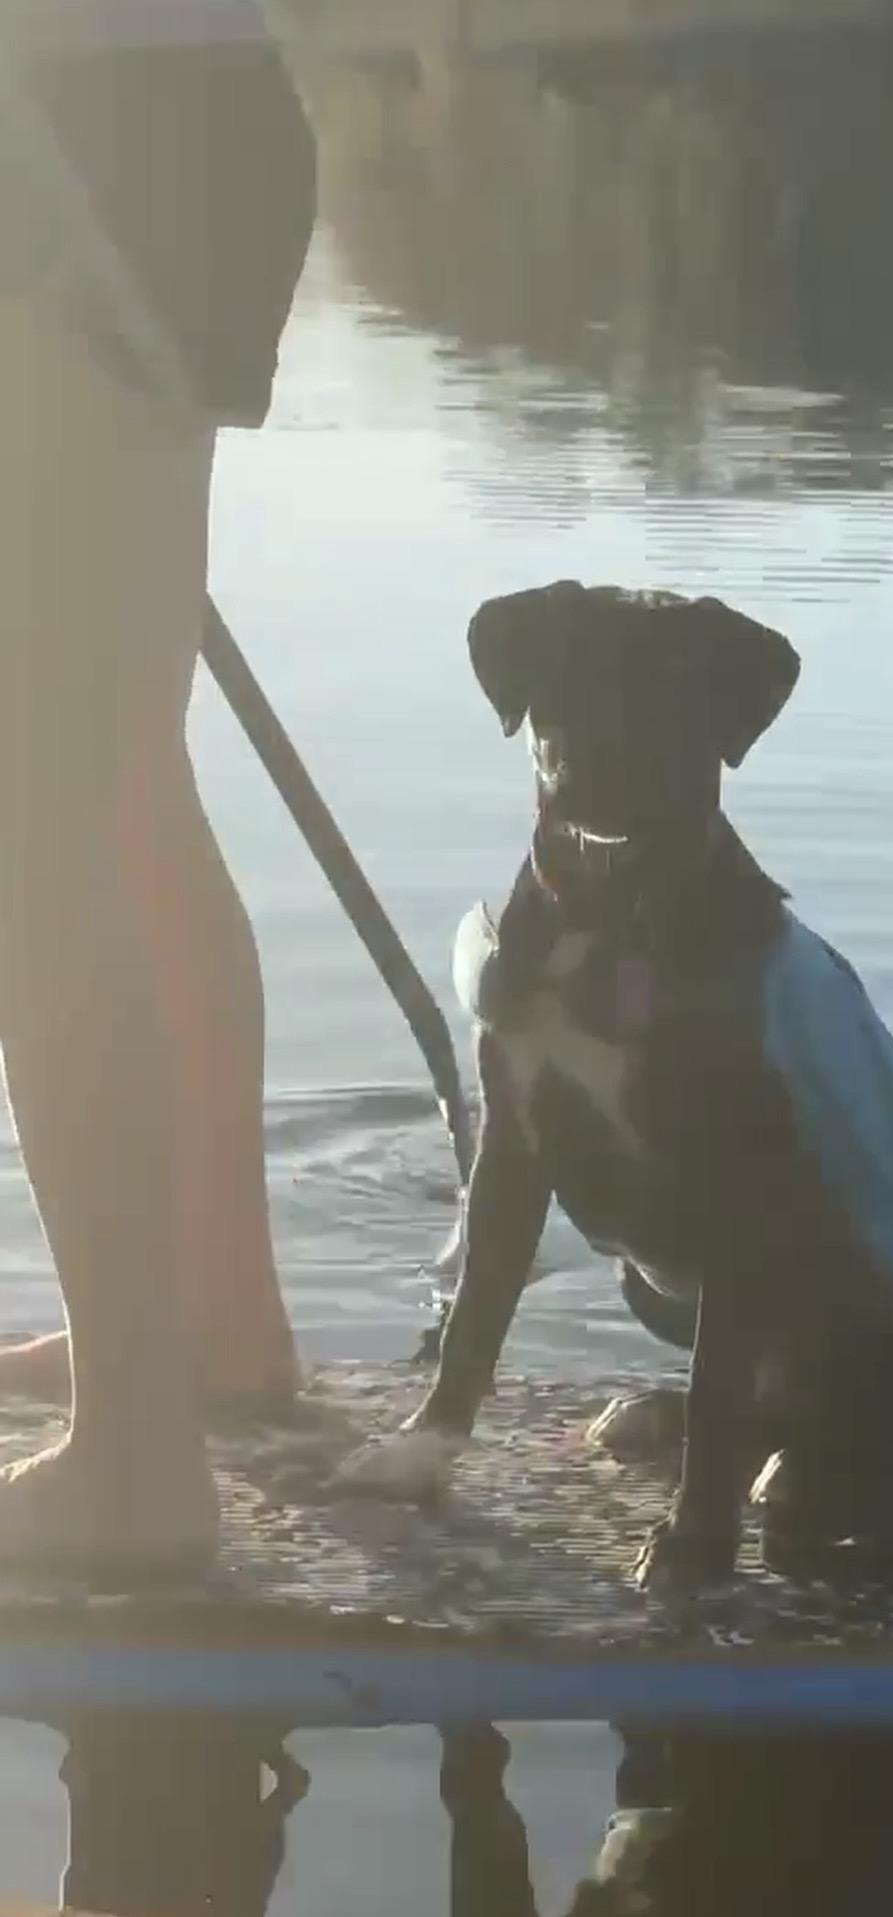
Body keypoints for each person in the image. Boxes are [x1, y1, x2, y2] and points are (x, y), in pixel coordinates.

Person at [0, 2, 316, 1575]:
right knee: (119, 781)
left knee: (35, 817)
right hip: (180, 119)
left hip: (79, 143)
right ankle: (207, 1324)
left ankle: (135, 1460)